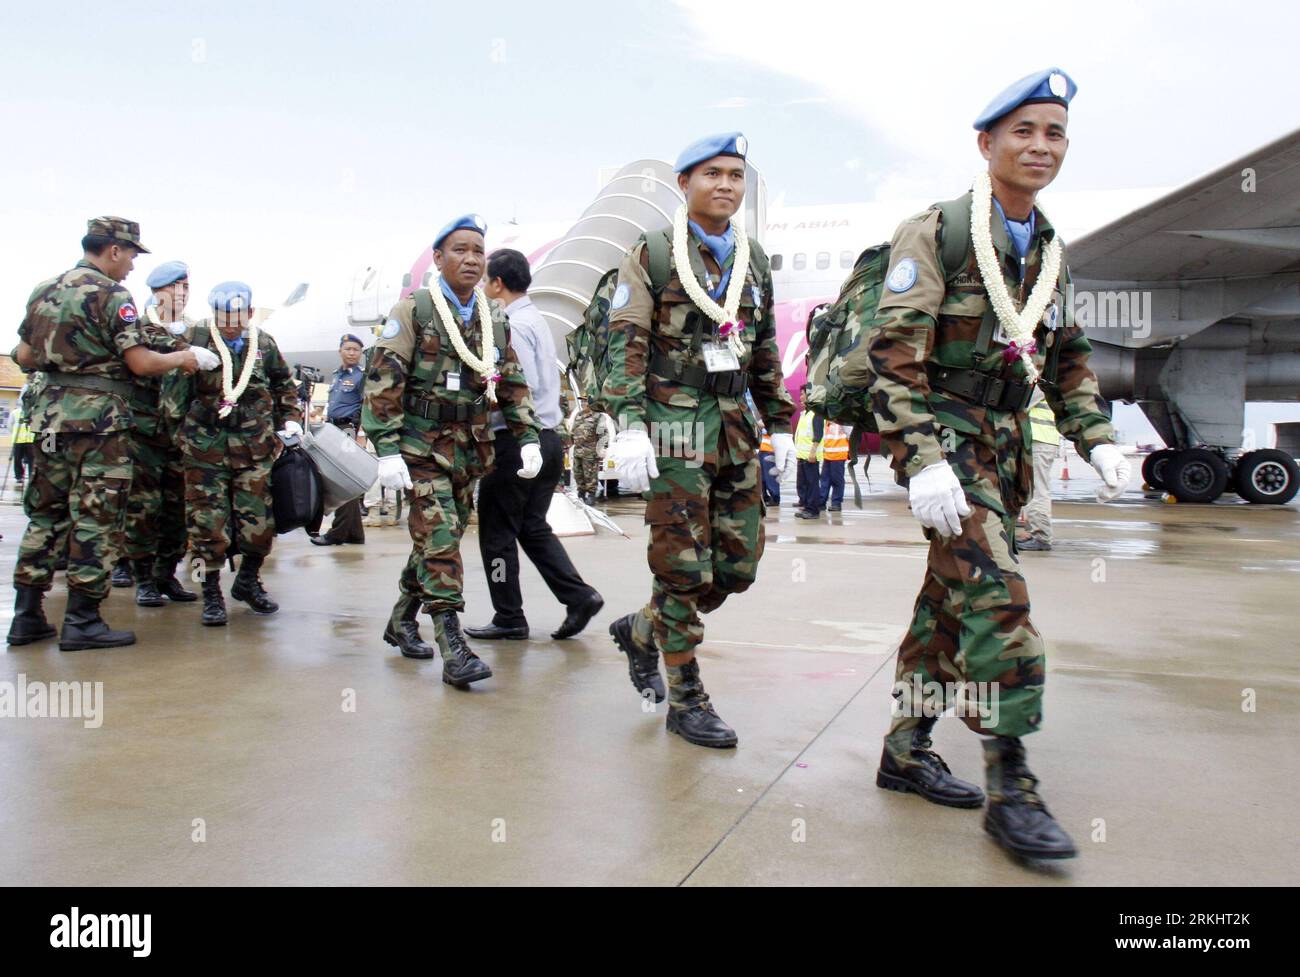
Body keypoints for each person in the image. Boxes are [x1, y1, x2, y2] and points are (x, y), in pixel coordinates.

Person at [843, 69, 1131, 860]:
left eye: (1055, 133)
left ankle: (905, 747)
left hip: (1003, 447)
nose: (1041, 146)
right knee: (999, 599)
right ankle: (1013, 787)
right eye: (1025, 131)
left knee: (946, 605)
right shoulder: (934, 231)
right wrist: (923, 461)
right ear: (987, 143)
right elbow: (895, 355)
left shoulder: (1048, 249)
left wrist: (1095, 436)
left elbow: (1066, 356)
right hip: (946, 439)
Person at [604, 133, 796, 747]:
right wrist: (629, 423)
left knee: (738, 566)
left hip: (735, 426)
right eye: (712, 173)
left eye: (736, 176)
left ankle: (641, 628)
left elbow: (761, 345)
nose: (725, 186)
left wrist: (781, 422)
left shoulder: (754, 257)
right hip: (675, 425)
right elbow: (626, 339)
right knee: (683, 565)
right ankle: (686, 699)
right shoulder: (654, 253)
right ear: (684, 183)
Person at [362, 214, 542, 688]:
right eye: (459, 250)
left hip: (469, 451)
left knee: (433, 540)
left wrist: (527, 439)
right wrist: (386, 449)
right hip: (420, 448)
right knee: (441, 541)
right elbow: (383, 380)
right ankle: (452, 646)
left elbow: (512, 384)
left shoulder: (493, 318)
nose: (471, 259)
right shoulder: (413, 312)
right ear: (438, 258)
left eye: (478, 251)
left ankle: (402, 619)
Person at [7, 217, 204, 650]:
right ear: (114, 250)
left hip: (47, 424)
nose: (132, 265)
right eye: (132, 254)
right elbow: (140, 364)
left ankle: (26, 617)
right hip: (98, 427)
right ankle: (81, 621)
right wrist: (182, 358)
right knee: (96, 520)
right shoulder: (113, 295)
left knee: (45, 517)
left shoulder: (45, 288)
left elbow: (23, 353)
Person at [465, 248, 604, 642]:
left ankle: (508, 616)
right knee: (532, 527)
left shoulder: (507, 323)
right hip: (547, 438)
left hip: (517, 440)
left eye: (484, 281)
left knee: (496, 534)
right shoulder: (536, 320)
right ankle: (579, 596)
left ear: (497, 284)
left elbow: (513, 387)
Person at [169, 282, 303, 626]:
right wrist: (180, 439)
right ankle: (209, 594)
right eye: (223, 316)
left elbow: (283, 385)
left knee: (259, 527)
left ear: (249, 313)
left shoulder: (264, 343)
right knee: (205, 529)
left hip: (254, 449)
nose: (230, 323)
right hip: (205, 451)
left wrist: (290, 420)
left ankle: (247, 581)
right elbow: (173, 397)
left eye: (237, 316)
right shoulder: (195, 339)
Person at [123, 260, 200, 606]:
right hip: (145, 434)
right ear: (157, 293)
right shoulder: (138, 330)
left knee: (178, 509)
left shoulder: (196, 333)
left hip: (182, 436)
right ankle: (143, 579)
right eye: (174, 287)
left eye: (185, 287)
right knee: (143, 508)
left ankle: (166, 574)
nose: (181, 294)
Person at [311, 334, 368, 546]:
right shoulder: (336, 375)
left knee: (343, 480)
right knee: (345, 479)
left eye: (356, 350)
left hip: (348, 429)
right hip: (334, 428)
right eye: (348, 349)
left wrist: (360, 432)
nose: (352, 353)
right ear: (340, 351)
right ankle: (355, 533)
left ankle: (338, 533)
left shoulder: (362, 377)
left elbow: (367, 405)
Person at [1017, 392, 1059, 550]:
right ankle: (1034, 531)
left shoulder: (1040, 378)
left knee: (1037, 489)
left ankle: (1041, 536)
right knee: (1030, 488)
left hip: (1040, 439)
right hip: (1039, 438)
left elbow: (1023, 402)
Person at [794, 406, 823, 518]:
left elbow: (818, 434)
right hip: (802, 455)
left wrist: (813, 451)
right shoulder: (804, 414)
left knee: (812, 484)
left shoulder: (816, 413)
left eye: (803, 394)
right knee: (804, 483)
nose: (801, 397)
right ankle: (806, 507)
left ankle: (813, 510)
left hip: (810, 455)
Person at [572, 399, 602, 505]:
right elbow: (573, 431)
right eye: (582, 402)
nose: (583, 404)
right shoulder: (578, 415)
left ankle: (591, 495)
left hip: (590, 452)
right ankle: (581, 493)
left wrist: (601, 450)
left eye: (585, 402)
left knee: (590, 475)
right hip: (578, 450)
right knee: (578, 473)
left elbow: (603, 435)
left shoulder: (597, 416)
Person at [818, 419, 850, 512]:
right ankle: (821, 503)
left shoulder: (843, 420)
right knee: (824, 480)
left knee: (837, 480)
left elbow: (850, 435)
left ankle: (836, 503)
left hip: (839, 454)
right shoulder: (827, 421)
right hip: (828, 455)